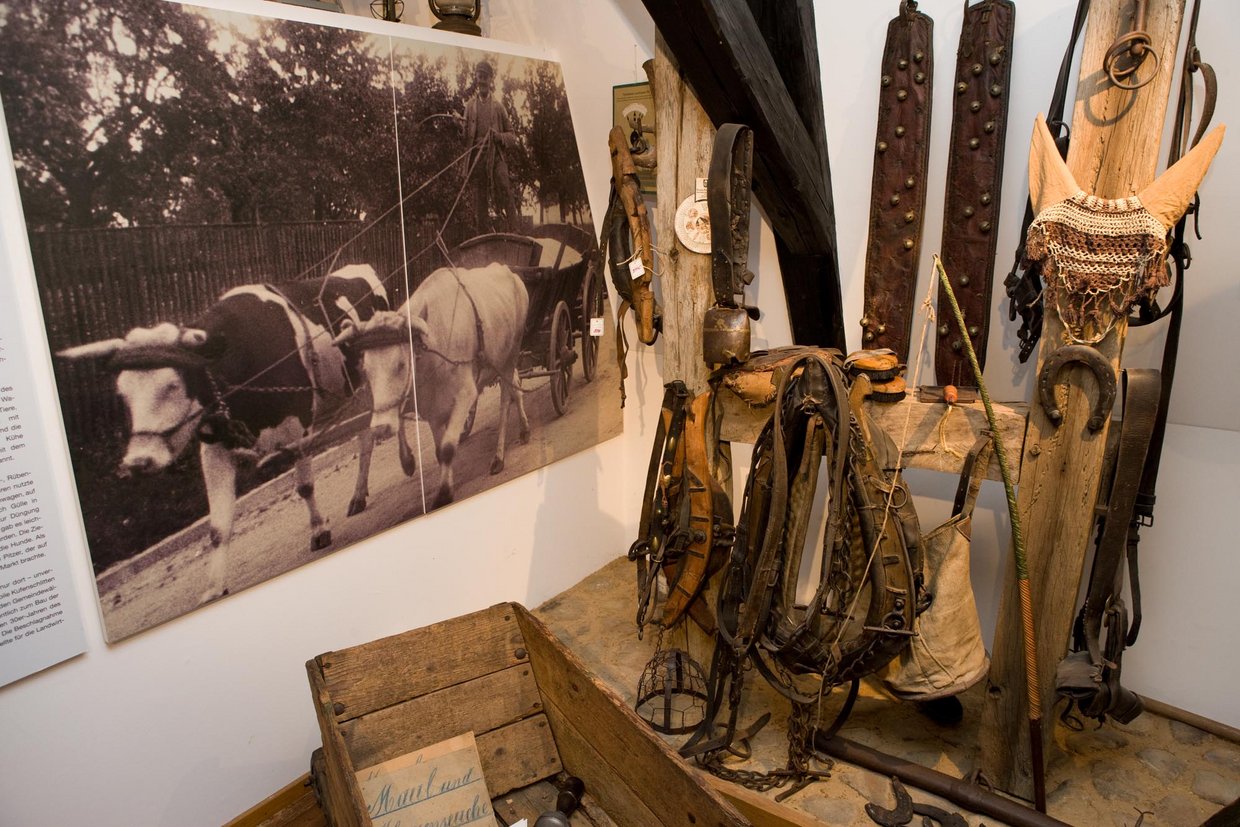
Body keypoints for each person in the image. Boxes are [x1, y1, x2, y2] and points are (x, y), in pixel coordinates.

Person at [463, 60, 518, 233]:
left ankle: (515, 232)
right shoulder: (470, 107)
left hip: (495, 157)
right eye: (479, 77)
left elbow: (512, 136)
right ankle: (483, 238)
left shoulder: (499, 107)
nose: (482, 82)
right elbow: (465, 137)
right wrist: (458, 126)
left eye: (485, 78)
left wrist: (499, 137)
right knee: (479, 200)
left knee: (505, 187)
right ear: (476, 79)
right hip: (476, 158)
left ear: (490, 79)